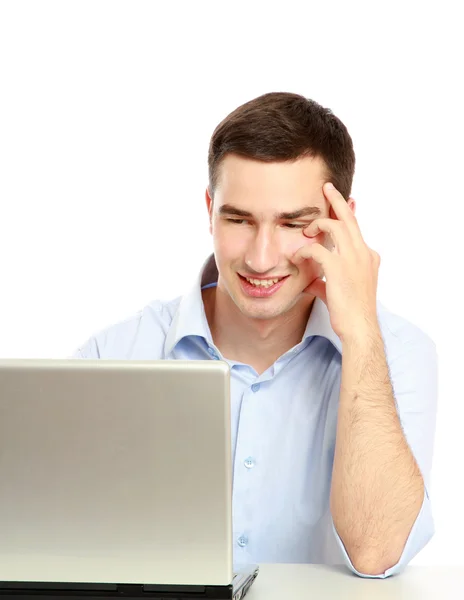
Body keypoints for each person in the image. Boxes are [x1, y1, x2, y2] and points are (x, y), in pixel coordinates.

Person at [73, 92, 437, 579]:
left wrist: (361, 335)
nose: (261, 258)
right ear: (209, 209)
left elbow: (377, 553)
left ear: (341, 224)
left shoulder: (397, 353)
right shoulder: (111, 356)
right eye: (239, 220)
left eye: (294, 224)